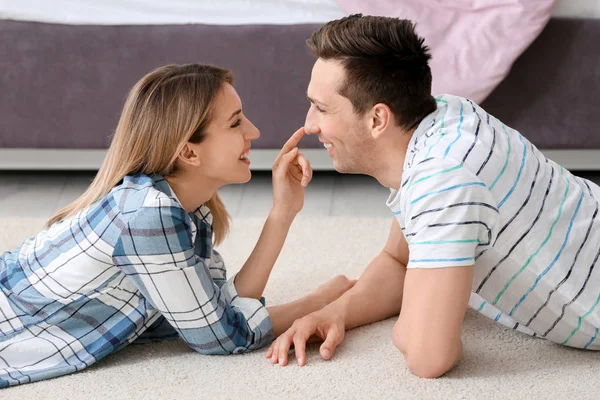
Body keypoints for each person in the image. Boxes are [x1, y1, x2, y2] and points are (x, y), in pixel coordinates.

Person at [267, 14, 600, 377]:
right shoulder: (444, 115)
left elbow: (429, 357)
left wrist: (411, 321)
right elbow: (398, 262)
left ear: (378, 119)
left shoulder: (443, 178)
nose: (310, 124)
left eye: (322, 108)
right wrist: (335, 311)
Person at [0, 63, 355, 387]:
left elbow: (215, 308)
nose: (255, 132)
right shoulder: (150, 216)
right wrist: (315, 303)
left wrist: (283, 211)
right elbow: (223, 338)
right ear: (188, 153)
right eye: (235, 123)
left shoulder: (180, 206)